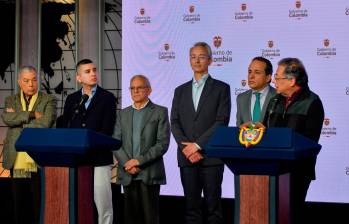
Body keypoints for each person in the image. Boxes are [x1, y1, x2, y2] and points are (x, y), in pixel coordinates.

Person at [171, 42, 231, 224]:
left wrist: (197, 146)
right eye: (193, 56)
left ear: (210, 60)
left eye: (201, 56)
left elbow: (222, 121)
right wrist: (187, 149)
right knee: (191, 208)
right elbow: (174, 122)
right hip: (186, 158)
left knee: (214, 208)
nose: (197, 60)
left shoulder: (222, 88)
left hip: (211, 158)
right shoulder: (179, 91)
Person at [263, 57, 324, 224]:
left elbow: (309, 141)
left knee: (291, 216)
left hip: (297, 171)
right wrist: (255, 130)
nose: (274, 81)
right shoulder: (274, 101)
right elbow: (264, 129)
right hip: (271, 168)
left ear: (291, 80)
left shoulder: (312, 102)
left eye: (278, 77)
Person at [60, 59, 116, 224]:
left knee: (103, 201)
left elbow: (107, 130)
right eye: (87, 71)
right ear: (78, 78)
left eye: (94, 70)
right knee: (80, 201)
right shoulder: (72, 99)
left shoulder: (107, 98)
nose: (93, 74)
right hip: (77, 159)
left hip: (99, 157)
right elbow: (67, 126)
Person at [1, 66, 56, 224]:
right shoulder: (11, 100)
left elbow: (45, 123)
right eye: (26, 81)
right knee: (19, 206)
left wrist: (18, 120)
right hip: (16, 159)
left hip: (37, 160)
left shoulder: (48, 99)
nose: (31, 84)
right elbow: (7, 119)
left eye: (33, 80)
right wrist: (31, 115)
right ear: (19, 82)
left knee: (39, 206)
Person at [113, 75, 170, 224]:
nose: (136, 91)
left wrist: (138, 161)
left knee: (150, 218)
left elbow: (162, 144)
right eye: (132, 88)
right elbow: (116, 143)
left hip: (148, 173)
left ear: (149, 90)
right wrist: (128, 163)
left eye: (140, 87)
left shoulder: (160, 112)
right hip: (127, 174)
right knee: (130, 219)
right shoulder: (122, 114)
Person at [236, 56, 276, 126]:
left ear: (268, 77)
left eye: (257, 72)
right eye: (250, 72)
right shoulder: (241, 98)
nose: (251, 76)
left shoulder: (278, 96)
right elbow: (238, 127)